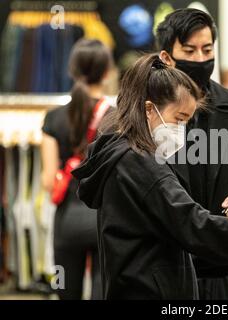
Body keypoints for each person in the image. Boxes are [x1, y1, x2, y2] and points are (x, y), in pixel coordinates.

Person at [72, 54, 228, 300]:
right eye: (178, 119)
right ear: (150, 109)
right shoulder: (138, 162)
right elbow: (191, 222)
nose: (181, 130)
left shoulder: (122, 153)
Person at [156, 8, 228, 300]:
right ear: (167, 58)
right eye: (189, 50)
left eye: (207, 49)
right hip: (169, 269)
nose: (199, 59)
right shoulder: (152, 114)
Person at [41, 39, 113, 300]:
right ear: (107, 72)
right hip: (105, 223)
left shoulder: (53, 118)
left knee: (64, 292)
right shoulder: (117, 118)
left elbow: (48, 180)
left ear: (72, 71)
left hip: (66, 226)